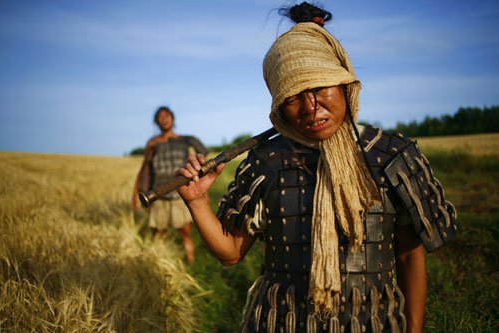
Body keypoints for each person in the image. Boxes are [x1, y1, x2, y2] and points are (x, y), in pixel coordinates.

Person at [176, 2, 457, 332]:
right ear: (279, 105)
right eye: (294, 96)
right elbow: (231, 252)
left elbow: (410, 256)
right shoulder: (268, 162)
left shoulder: (390, 155)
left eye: (320, 87)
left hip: (374, 322)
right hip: (281, 322)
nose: (311, 107)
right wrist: (196, 201)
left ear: (344, 84)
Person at [132, 106, 208, 264]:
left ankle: (191, 263)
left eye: (167, 116)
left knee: (185, 232)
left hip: (180, 194)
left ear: (173, 119)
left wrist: (202, 188)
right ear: (156, 121)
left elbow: (203, 159)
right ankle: (154, 263)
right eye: (160, 117)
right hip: (158, 194)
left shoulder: (185, 141)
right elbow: (145, 168)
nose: (164, 119)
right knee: (158, 234)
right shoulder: (153, 143)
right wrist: (137, 193)